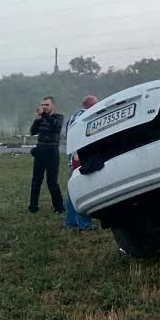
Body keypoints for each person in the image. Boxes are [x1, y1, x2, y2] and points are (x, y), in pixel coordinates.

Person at [65, 95, 98, 230]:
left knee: (72, 191)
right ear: (91, 105)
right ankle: (84, 224)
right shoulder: (87, 116)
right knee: (83, 190)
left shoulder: (73, 117)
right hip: (81, 157)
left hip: (73, 157)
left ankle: (71, 222)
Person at [28, 96, 65, 214]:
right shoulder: (42, 118)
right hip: (40, 151)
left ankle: (59, 208)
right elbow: (33, 131)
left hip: (52, 152)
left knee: (52, 182)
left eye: (46, 105)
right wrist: (38, 119)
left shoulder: (58, 117)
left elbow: (56, 126)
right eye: (42, 105)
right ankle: (33, 208)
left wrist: (44, 115)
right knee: (36, 181)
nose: (44, 107)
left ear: (53, 106)